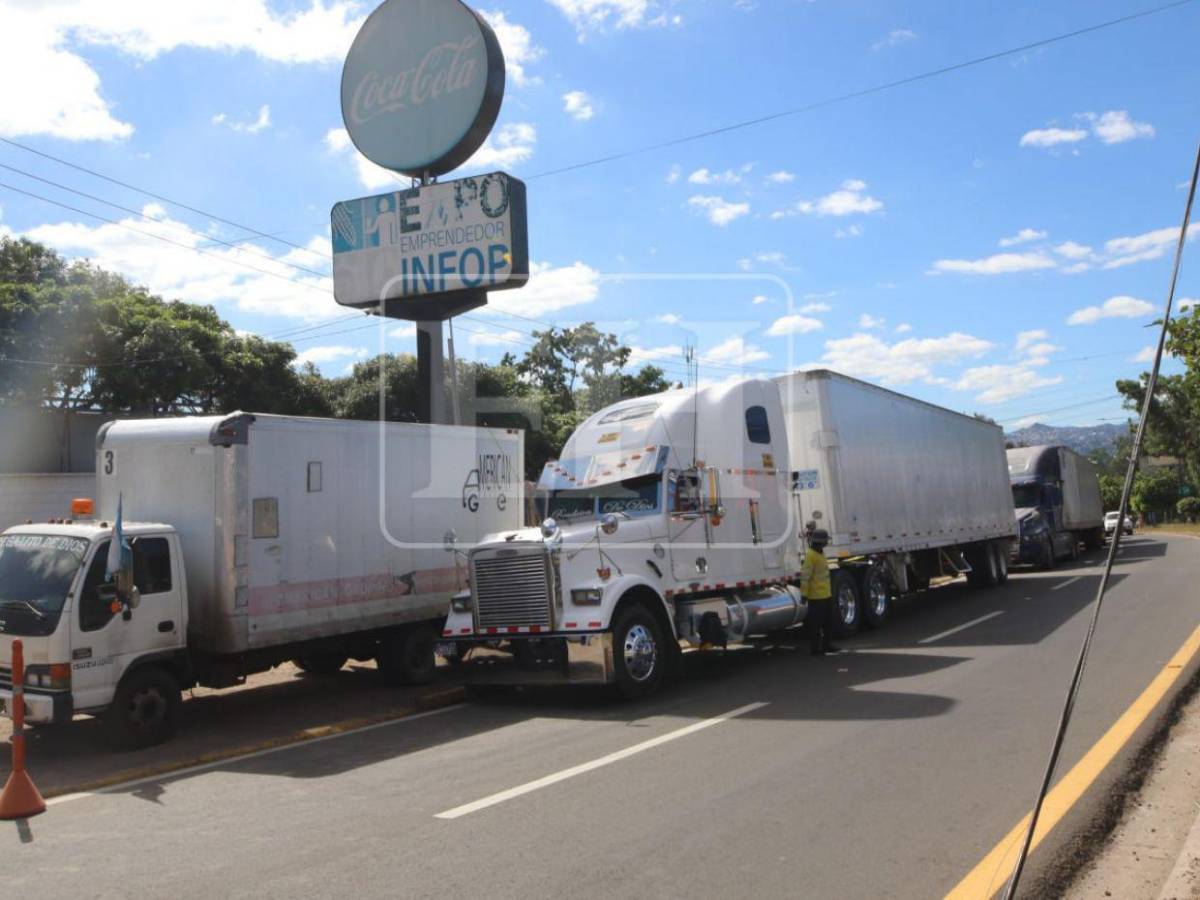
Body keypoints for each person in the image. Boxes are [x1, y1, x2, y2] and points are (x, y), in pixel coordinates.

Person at [802, 528, 840, 656]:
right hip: (816, 597)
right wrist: (804, 595)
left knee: (828, 622)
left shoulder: (820, 553)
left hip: (826, 594)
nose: (826, 543)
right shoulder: (811, 555)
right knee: (816, 625)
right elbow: (805, 577)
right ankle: (815, 649)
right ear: (820, 542)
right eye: (825, 541)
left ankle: (826, 645)